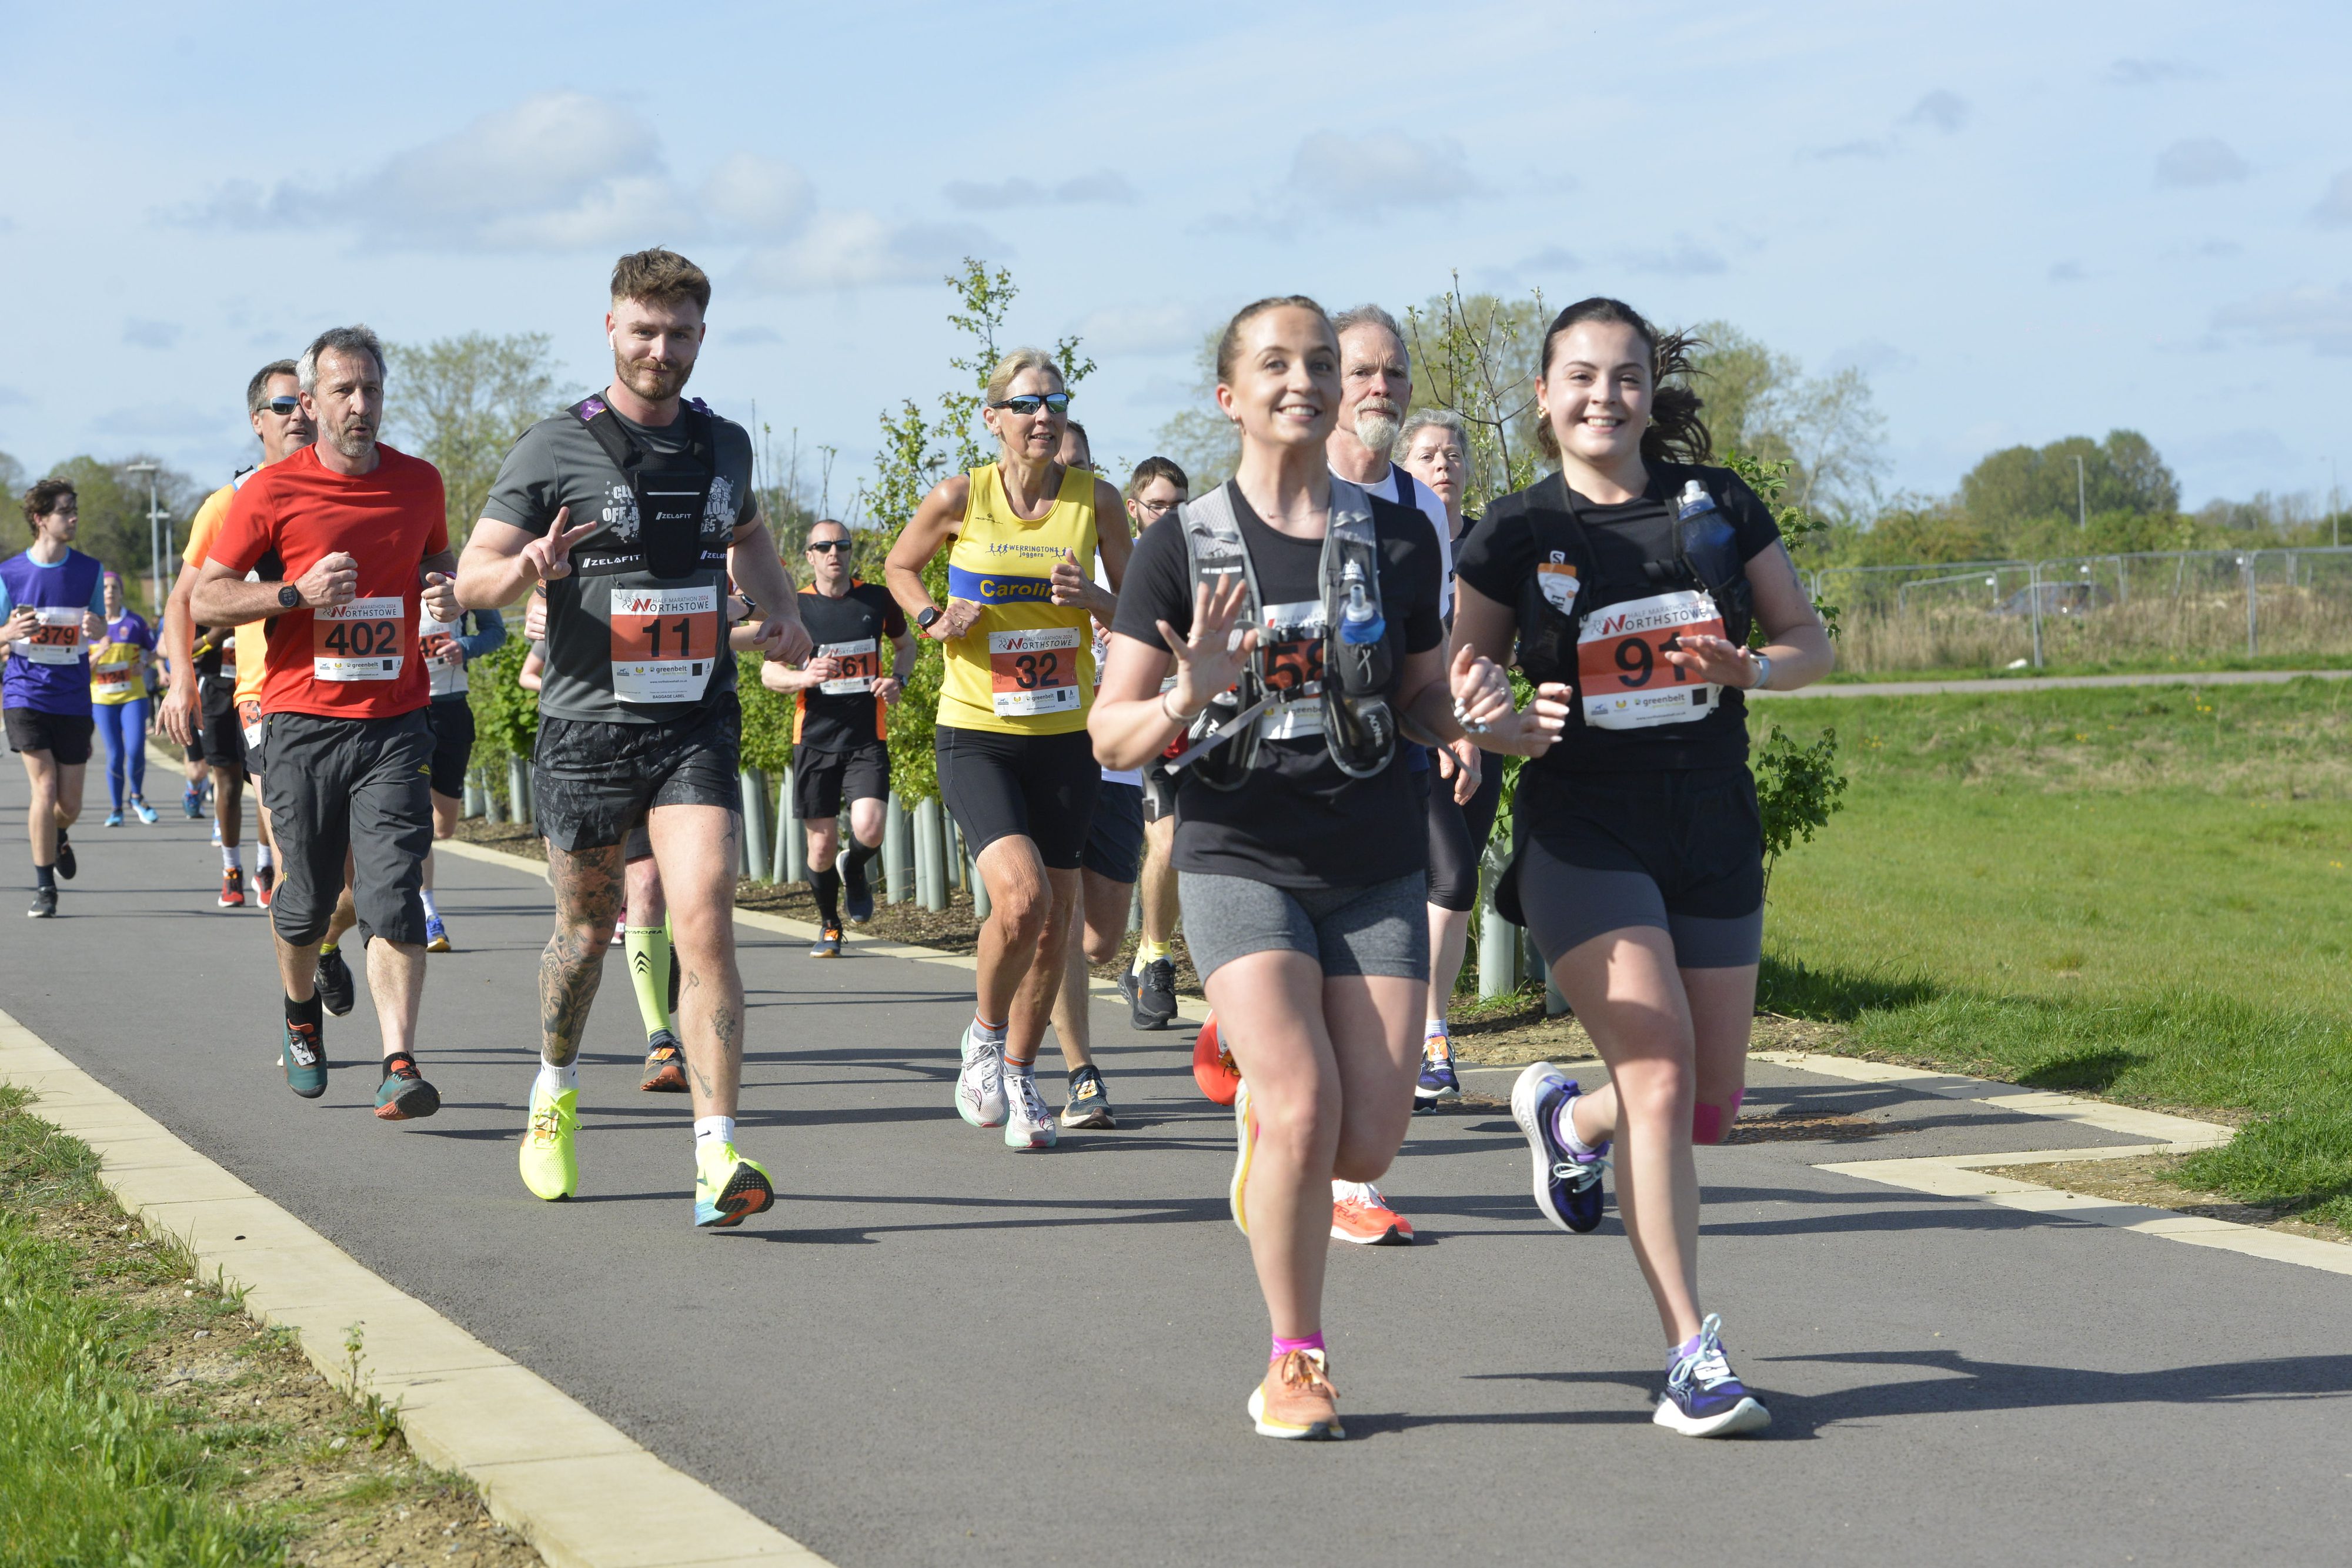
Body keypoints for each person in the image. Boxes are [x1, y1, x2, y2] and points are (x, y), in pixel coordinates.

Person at [1091, 295, 1544, 1439]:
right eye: (1275, 363)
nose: (1303, 379)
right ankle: (1295, 1358)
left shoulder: (1398, 538)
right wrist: (1185, 691)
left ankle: (1270, 1118)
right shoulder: (1180, 546)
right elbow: (1112, 734)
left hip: (1373, 857)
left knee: (1367, 1137)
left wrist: (1473, 718)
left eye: (1321, 362)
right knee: (1300, 1104)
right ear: (1228, 396)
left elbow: (1422, 694)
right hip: (1239, 853)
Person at [1451, 296, 1832, 1439]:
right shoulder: (1513, 530)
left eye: (1623, 376)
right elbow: (1458, 682)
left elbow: (1809, 643)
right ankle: (1689, 1355)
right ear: (1543, 395)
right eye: (1579, 376)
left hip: (1710, 824)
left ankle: (1572, 1124)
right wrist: (1494, 719)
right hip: (1584, 831)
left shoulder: (1715, 505)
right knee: (1662, 1072)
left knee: (1706, 1102)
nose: (1602, 397)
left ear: (1649, 390)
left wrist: (1749, 669)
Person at [456, 248, 810, 1228]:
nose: (662, 350)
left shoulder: (725, 445)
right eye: (645, 330)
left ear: (702, 336)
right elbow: (472, 576)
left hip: (695, 720)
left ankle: (716, 1153)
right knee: (584, 933)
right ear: (611, 327)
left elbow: (751, 538)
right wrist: (524, 568)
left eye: (680, 333)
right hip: (586, 728)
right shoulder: (551, 448)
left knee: (705, 919)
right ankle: (554, 1088)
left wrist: (784, 612)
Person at [192, 325, 462, 1123]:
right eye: (344, 390)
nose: (360, 405)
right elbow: (208, 596)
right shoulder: (270, 492)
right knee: (307, 899)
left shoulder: (419, 483)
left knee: (394, 892)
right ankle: (300, 1013)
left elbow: (436, 562)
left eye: (371, 389)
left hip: (395, 720)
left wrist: (444, 590)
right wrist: (295, 594)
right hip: (302, 723)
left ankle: (399, 1061)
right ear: (310, 403)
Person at [883, 349, 1131, 1151]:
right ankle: (985, 1038)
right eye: (1025, 404)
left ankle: (1022, 1074)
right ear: (993, 419)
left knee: (1057, 922)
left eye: (1055, 401)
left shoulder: (1097, 500)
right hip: (977, 732)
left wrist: (1093, 597)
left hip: (1066, 735)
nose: (1043, 416)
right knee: (1021, 900)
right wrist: (930, 617)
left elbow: (1139, 607)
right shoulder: (961, 495)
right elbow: (899, 566)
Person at [1319, 303, 1475, 1243]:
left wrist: (1455, 726)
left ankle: (1350, 1179)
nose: (1381, 387)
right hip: (1289, 774)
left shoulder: (1423, 509)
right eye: (1362, 371)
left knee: (1378, 979)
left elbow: (1434, 644)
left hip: (1389, 764)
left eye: (1395, 372)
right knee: (1310, 986)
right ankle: (1266, 1072)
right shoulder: (1283, 487)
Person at [166, 360, 316, 912]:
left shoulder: (348, 486)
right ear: (258, 420)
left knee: (348, 869)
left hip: (347, 690)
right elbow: (182, 601)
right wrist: (181, 679)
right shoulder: (228, 502)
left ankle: (322, 939)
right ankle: (302, 951)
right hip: (265, 694)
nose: (297, 416)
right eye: (283, 406)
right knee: (295, 853)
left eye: (305, 403)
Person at [1395, 407, 1505, 1104]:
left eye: (1454, 454)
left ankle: (1417, 1028)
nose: (1444, 464)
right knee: (1453, 879)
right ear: (1403, 466)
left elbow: (1503, 639)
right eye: (1429, 455)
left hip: (1482, 731)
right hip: (1416, 731)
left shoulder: (1487, 542)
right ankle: (1429, 1035)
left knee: (1447, 893)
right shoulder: (1396, 534)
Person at [1041, 419, 1134, 1128]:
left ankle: (1015, 990)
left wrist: (1095, 602)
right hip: (1044, 745)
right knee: (1053, 915)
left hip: (1117, 761)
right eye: (1057, 462)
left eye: (1079, 465)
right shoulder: (1007, 544)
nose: (1066, 475)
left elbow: (1155, 625)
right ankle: (1079, 1073)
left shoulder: (1115, 549)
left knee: (1101, 938)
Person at [760, 518, 910, 957]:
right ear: (810, 556)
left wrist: (898, 680)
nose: (834, 553)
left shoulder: (877, 599)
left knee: (870, 829)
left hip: (866, 736)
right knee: (821, 846)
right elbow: (769, 673)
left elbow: (906, 646)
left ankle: (856, 865)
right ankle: (829, 925)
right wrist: (804, 677)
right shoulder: (795, 608)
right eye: (824, 547)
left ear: (850, 552)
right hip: (814, 739)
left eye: (842, 545)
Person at [1, 480, 107, 918]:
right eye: (64, 510)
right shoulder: (9, 573)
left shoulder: (89, 570)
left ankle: (58, 834)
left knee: (69, 805)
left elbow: (101, 625)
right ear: (40, 519)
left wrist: (98, 628)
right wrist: (8, 632)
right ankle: (45, 887)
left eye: (74, 508)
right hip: (24, 692)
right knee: (43, 788)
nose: (73, 517)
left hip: (73, 697)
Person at [1118, 457, 1188, 1031]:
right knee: (1167, 843)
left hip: (1204, 728)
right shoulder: (1117, 566)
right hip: (1141, 729)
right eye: (1158, 505)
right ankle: (1158, 960)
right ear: (1134, 509)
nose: (1169, 515)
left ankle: (1145, 959)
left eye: (1179, 505)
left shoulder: (1208, 561)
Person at [417, 599, 507, 950]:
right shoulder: (389, 576)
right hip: (404, 709)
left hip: (451, 708)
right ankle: (427, 913)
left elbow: (496, 632)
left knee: (442, 828)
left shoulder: (460, 579)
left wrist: (464, 647)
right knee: (414, 819)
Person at [89, 571, 160, 826]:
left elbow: (155, 651)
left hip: (133, 696)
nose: (109, 591)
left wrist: (144, 663)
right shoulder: (89, 625)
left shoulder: (135, 622)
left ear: (121, 593)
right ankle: (116, 809)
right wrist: (100, 652)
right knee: (115, 754)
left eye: (114, 588)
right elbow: (81, 668)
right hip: (102, 700)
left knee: (136, 749)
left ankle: (137, 797)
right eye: (105, 588)